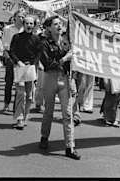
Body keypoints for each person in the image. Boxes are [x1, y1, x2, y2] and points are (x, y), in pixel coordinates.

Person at [38, 16, 80, 160]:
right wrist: (64, 59)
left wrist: (73, 79)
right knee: (48, 111)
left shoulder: (67, 42)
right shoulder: (44, 43)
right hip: (50, 78)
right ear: (49, 28)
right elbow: (48, 63)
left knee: (67, 114)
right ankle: (44, 137)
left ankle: (70, 146)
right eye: (55, 24)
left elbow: (72, 63)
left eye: (60, 24)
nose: (59, 26)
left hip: (65, 79)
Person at [9, 15, 42, 130]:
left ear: (34, 25)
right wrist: (18, 62)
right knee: (21, 93)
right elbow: (11, 52)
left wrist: (33, 64)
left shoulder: (36, 39)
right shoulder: (16, 37)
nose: (29, 25)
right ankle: (19, 118)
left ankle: (25, 116)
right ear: (23, 24)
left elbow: (38, 53)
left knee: (29, 95)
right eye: (27, 23)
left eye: (31, 23)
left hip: (30, 67)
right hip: (19, 67)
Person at [1, 9, 25, 112]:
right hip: (10, 57)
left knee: (20, 84)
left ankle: (17, 106)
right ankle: (6, 103)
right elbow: (4, 44)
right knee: (9, 82)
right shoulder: (8, 29)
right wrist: (7, 57)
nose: (21, 19)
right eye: (19, 16)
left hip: (21, 59)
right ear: (14, 17)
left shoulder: (26, 29)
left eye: (23, 17)